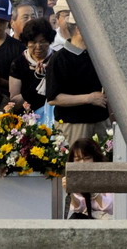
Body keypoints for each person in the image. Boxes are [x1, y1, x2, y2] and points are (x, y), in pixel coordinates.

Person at [46, 11, 110, 145]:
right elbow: (53, 98)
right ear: (79, 29)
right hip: (74, 125)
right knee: (77, 163)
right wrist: (89, 98)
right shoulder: (60, 58)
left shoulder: (99, 55)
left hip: (101, 122)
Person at [9, 18, 56, 119]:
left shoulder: (57, 60)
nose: (38, 46)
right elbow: (15, 102)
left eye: (43, 41)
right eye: (33, 42)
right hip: (27, 118)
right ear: (26, 42)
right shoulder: (18, 63)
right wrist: (38, 79)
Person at [63, 138, 113, 219]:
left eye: (86, 158)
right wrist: (70, 191)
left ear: (95, 158)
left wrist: (92, 189)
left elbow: (108, 207)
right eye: (78, 159)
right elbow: (78, 207)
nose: (82, 163)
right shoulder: (75, 177)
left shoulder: (105, 175)